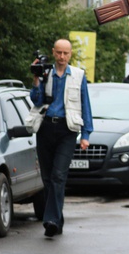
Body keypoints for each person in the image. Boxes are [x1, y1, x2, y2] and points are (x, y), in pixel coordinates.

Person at [30, 38, 93, 238]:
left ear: (70, 54)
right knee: (47, 178)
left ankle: (50, 221)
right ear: (53, 52)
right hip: (46, 128)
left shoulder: (78, 75)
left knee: (58, 176)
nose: (62, 57)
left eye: (66, 53)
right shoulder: (46, 73)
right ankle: (57, 219)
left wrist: (86, 135)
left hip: (67, 130)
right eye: (58, 53)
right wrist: (36, 78)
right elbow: (36, 100)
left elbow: (85, 104)